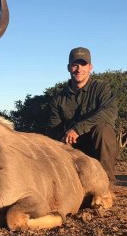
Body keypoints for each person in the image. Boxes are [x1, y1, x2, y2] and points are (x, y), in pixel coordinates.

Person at [48, 47, 118, 182]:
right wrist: (62, 140)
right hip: (73, 151)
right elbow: (53, 129)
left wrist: (77, 129)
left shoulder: (101, 88)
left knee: (104, 130)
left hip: (98, 147)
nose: (79, 69)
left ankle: (106, 184)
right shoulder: (58, 98)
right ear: (69, 67)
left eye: (83, 64)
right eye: (75, 65)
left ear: (90, 67)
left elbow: (109, 113)